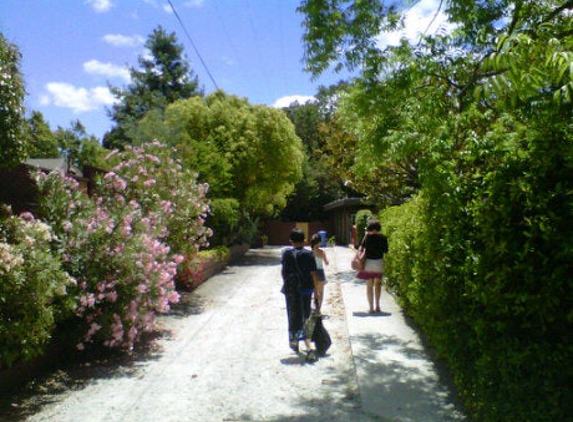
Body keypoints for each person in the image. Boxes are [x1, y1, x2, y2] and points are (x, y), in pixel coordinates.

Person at [281, 228, 320, 362]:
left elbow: (284, 273)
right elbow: (314, 274)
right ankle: (309, 347)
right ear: (304, 240)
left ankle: (295, 342)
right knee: (306, 317)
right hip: (306, 289)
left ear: (290, 241)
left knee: (293, 315)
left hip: (291, 291)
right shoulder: (309, 255)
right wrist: (317, 292)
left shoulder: (286, 254)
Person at [356, 219, 389, 314]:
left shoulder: (367, 237)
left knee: (369, 286)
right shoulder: (383, 237)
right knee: (377, 285)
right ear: (378, 228)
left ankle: (371, 308)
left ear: (369, 227)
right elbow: (385, 250)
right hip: (379, 262)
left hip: (368, 263)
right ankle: (377, 306)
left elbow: (360, 247)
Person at [310, 233, 329, 313]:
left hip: (312, 273)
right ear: (319, 242)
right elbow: (326, 263)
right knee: (321, 292)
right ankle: (319, 309)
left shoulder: (309, 253)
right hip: (320, 272)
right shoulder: (322, 252)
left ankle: (314, 307)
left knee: (314, 291)